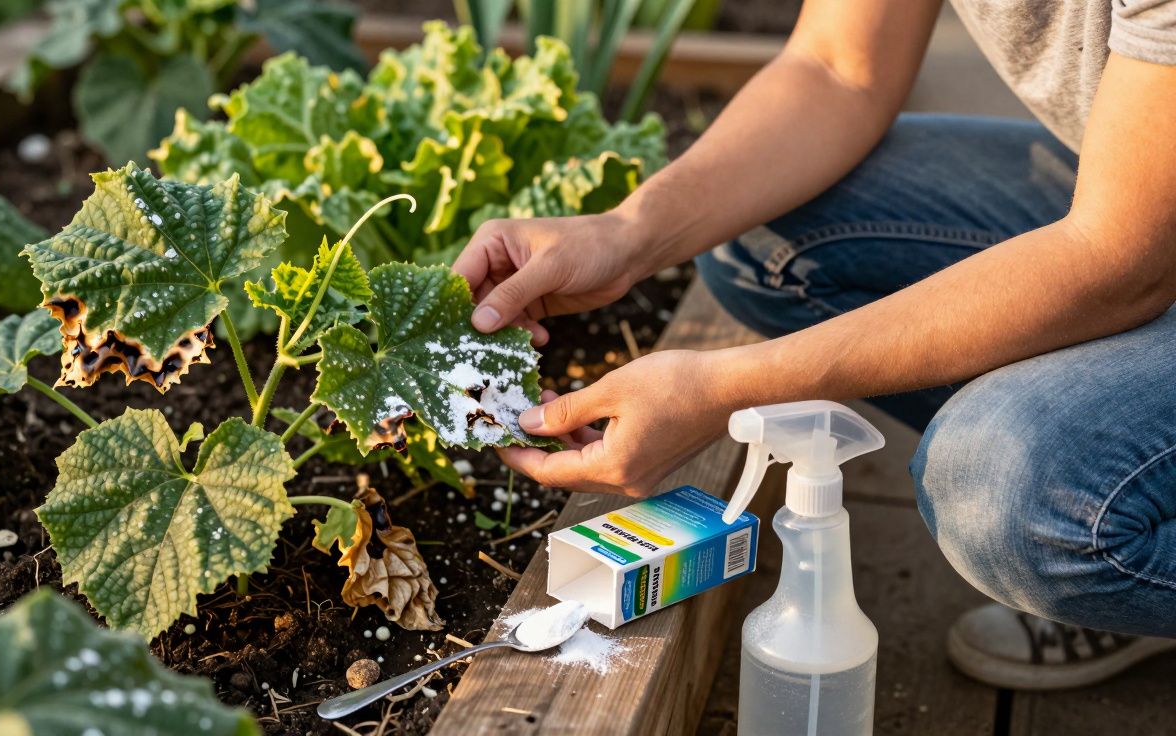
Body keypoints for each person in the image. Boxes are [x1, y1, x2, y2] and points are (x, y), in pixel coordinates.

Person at [452, 0, 1176, 691]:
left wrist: (730, 389)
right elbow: (838, 67)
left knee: (1006, 489)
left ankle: (1122, 517)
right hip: (1134, 181)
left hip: (1130, 234)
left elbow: (1118, 260)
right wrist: (626, 234)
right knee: (762, 241)